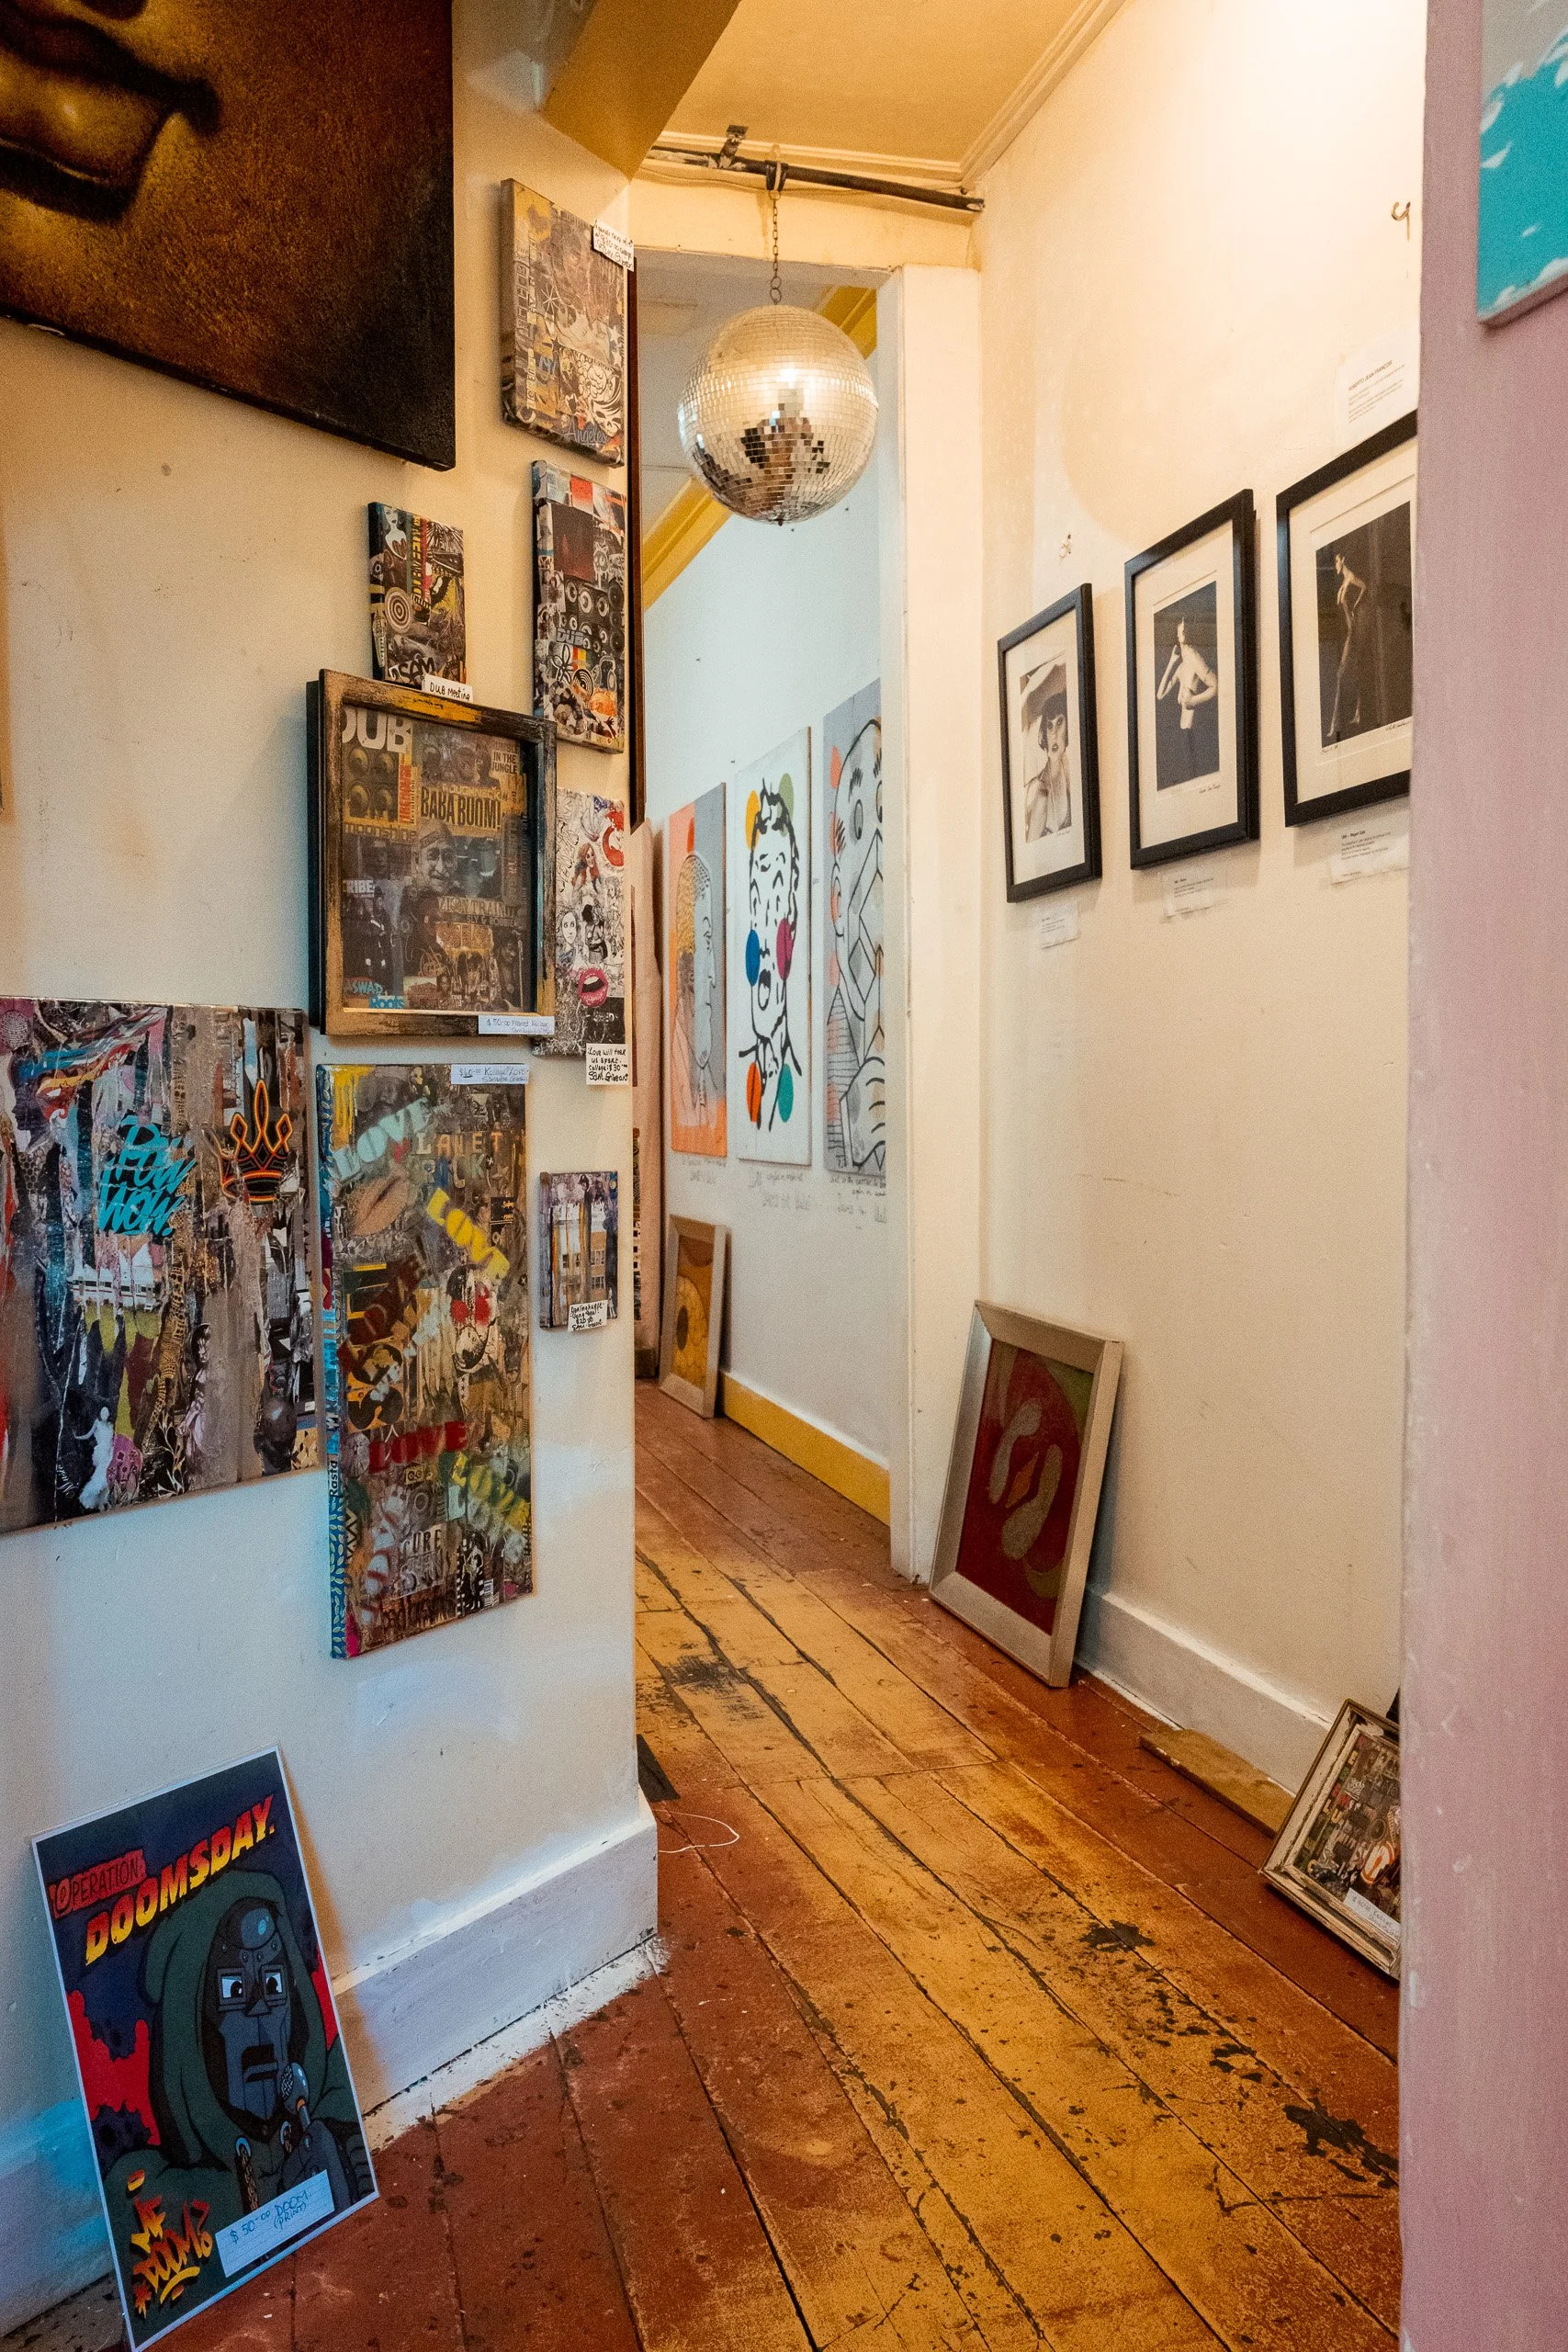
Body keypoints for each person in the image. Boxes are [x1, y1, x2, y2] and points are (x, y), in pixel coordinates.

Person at [1156, 615, 1219, 777]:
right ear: (1177, 635)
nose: (1184, 629)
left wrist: (1193, 700)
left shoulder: (1194, 657)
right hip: (1183, 734)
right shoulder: (1182, 666)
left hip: (1194, 735)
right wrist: (1171, 662)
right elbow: (1160, 695)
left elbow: (1216, 685)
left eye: (1187, 627)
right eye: (1181, 628)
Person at [1328, 552, 1369, 741]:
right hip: (1345, 634)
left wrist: (1355, 607)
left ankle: (1339, 722)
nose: (1335, 565)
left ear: (1343, 560)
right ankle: (1351, 715)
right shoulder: (1343, 583)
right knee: (1346, 673)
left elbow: (1364, 587)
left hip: (1351, 633)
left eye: (1337, 561)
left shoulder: (1351, 578)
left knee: (1343, 674)